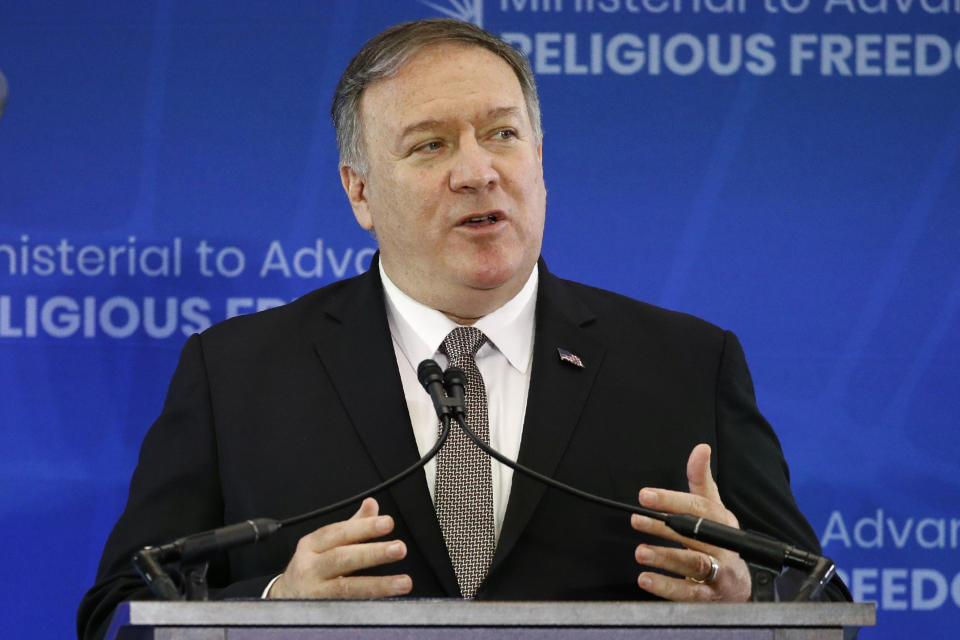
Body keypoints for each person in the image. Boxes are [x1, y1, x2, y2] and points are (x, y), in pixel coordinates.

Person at [77, 18, 849, 640]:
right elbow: (117, 612)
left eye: (503, 135)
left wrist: (748, 601)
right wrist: (275, 604)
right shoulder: (239, 372)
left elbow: (822, 602)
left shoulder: (684, 365)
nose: (479, 171)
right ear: (360, 192)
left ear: (540, 161)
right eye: (431, 145)